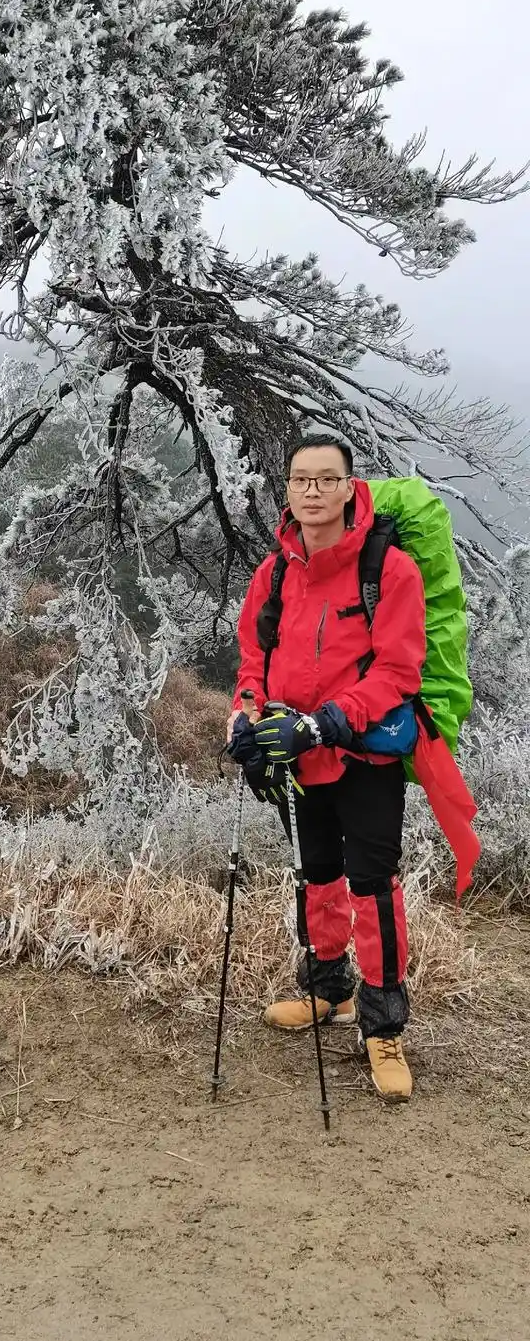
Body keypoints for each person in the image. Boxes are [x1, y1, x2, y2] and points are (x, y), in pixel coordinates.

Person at [227, 435, 426, 1102]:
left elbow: (399, 672)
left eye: (326, 479)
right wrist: (246, 720)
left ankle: (383, 1027)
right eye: (300, 480)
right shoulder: (275, 573)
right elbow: (253, 659)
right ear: (287, 490)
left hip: (365, 751)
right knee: (316, 874)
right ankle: (327, 992)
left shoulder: (389, 571)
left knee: (372, 884)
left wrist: (327, 721)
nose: (312, 491)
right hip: (297, 754)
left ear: (348, 489)